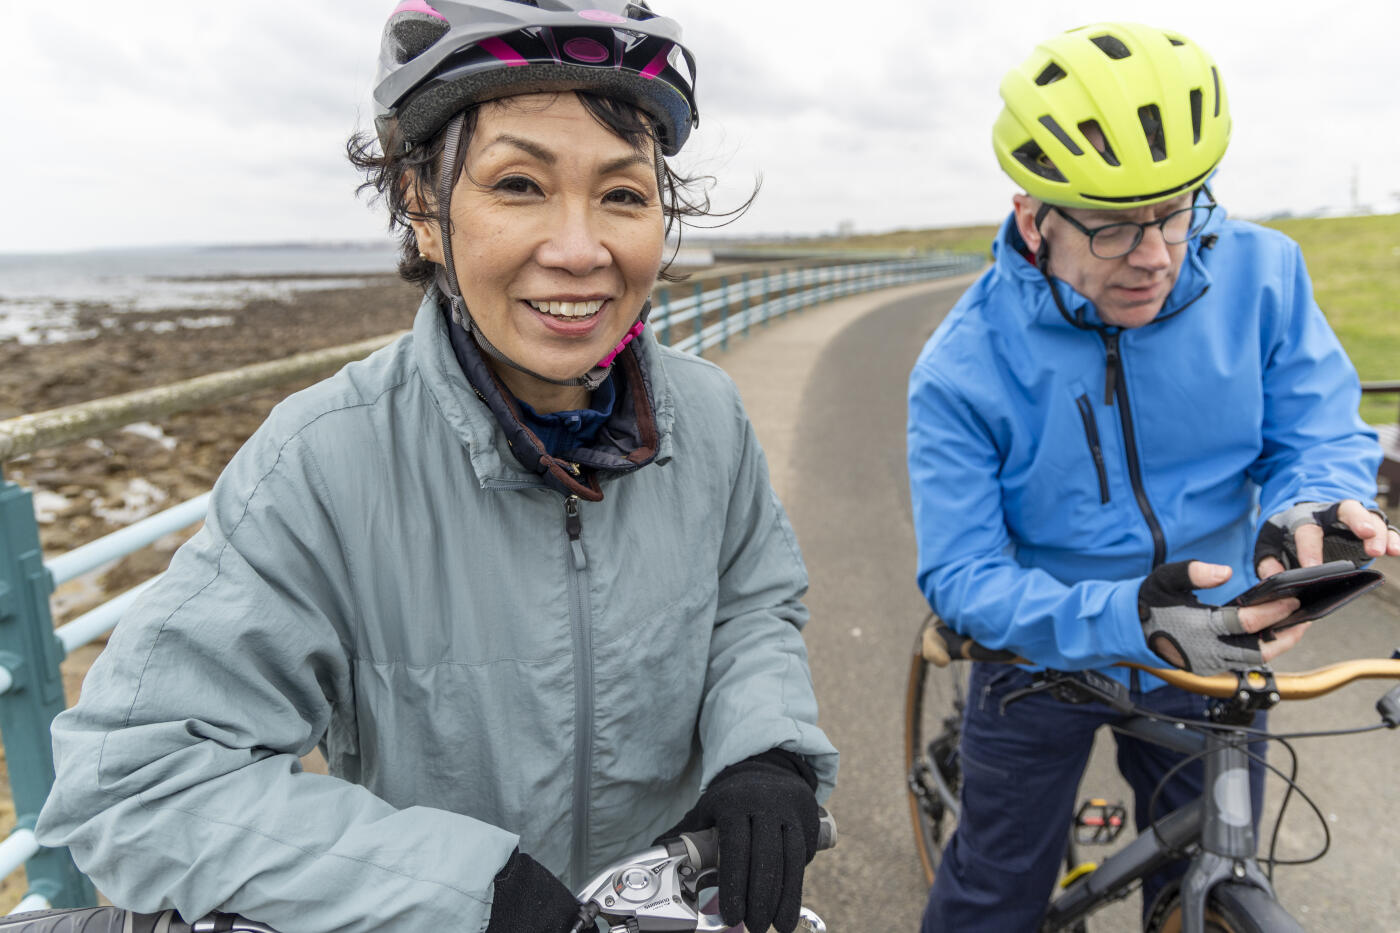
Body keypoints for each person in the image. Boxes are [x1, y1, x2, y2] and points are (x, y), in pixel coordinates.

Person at [35, 3, 838, 932]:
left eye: (622, 194)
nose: (580, 249)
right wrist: (463, 890)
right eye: (519, 184)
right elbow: (131, 782)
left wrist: (764, 749)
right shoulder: (325, 463)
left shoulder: (709, 416)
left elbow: (752, 603)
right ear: (422, 208)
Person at [906, 21, 1400, 932]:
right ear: (1032, 217)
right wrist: (1126, 617)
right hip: (1042, 653)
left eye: (1179, 210)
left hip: (1213, 640)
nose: (1158, 255)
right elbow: (962, 576)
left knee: (1206, 876)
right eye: (1114, 227)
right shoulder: (960, 368)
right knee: (993, 896)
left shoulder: (1265, 272)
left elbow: (1319, 426)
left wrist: (1311, 498)